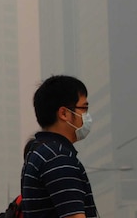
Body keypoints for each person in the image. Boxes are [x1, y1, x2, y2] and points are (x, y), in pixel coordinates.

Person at [21, 75, 97, 218]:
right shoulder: (58, 157)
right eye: (84, 108)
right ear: (64, 113)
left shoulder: (39, 152)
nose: (87, 116)